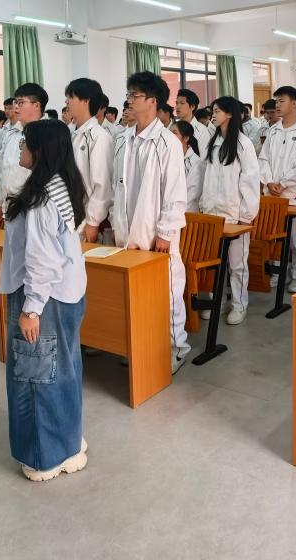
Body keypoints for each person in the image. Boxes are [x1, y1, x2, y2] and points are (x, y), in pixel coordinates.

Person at [0, 119, 88, 482]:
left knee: (35, 376)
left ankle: (45, 457)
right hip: (65, 293)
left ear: (40, 151)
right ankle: (67, 439)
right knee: (63, 370)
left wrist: (31, 309)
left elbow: (41, 259)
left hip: (43, 297)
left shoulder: (41, 199)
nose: (20, 149)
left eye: (25, 144)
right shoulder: (60, 184)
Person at [110, 72, 190, 373]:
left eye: (135, 95)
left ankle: (176, 348)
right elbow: (117, 187)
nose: (129, 101)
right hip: (127, 230)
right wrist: (115, 223)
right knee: (134, 292)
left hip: (157, 232)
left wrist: (166, 233)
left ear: (153, 101)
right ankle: (141, 344)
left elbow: (175, 193)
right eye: (128, 95)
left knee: (166, 293)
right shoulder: (123, 140)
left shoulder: (167, 142)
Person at [200, 97, 261, 325]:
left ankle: (239, 304)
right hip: (212, 214)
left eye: (217, 111)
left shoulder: (243, 144)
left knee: (237, 265)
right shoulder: (213, 142)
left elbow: (250, 182)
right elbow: (206, 178)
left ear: (230, 114)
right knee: (216, 263)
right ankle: (218, 302)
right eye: (213, 111)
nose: (213, 115)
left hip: (234, 216)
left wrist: (245, 216)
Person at [259, 85, 296, 293]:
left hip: (295, 193)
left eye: (281, 101)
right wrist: (268, 181)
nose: (277, 105)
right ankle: (277, 272)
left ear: (293, 103)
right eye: (276, 101)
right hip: (273, 192)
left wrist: (283, 183)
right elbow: (263, 159)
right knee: (274, 236)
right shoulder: (273, 130)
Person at [0, 84, 47, 226]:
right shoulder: (11, 133)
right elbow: (0, 169)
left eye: (21, 103)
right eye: (16, 102)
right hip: (10, 205)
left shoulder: (48, 133)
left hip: (37, 208)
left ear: (36, 105)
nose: (16, 107)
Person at [65, 78, 114, 243]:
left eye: (71, 97)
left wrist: (93, 221)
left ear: (86, 101)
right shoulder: (69, 133)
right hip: (67, 214)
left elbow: (102, 185)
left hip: (85, 220)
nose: (66, 102)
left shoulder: (99, 137)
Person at [170, 119, 204, 212]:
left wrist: (176, 214)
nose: (170, 136)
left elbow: (192, 196)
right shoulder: (169, 158)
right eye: (169, 133)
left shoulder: (195, 163)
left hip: (187, 214)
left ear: (186, 138)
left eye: (174, 133)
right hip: (169, 212)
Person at [175, 89, 210, 157]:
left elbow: (204, 158)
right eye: (176, 103)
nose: (177, 106)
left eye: (182, 103)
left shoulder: (201, 130)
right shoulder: (173, 128)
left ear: (192, 107)